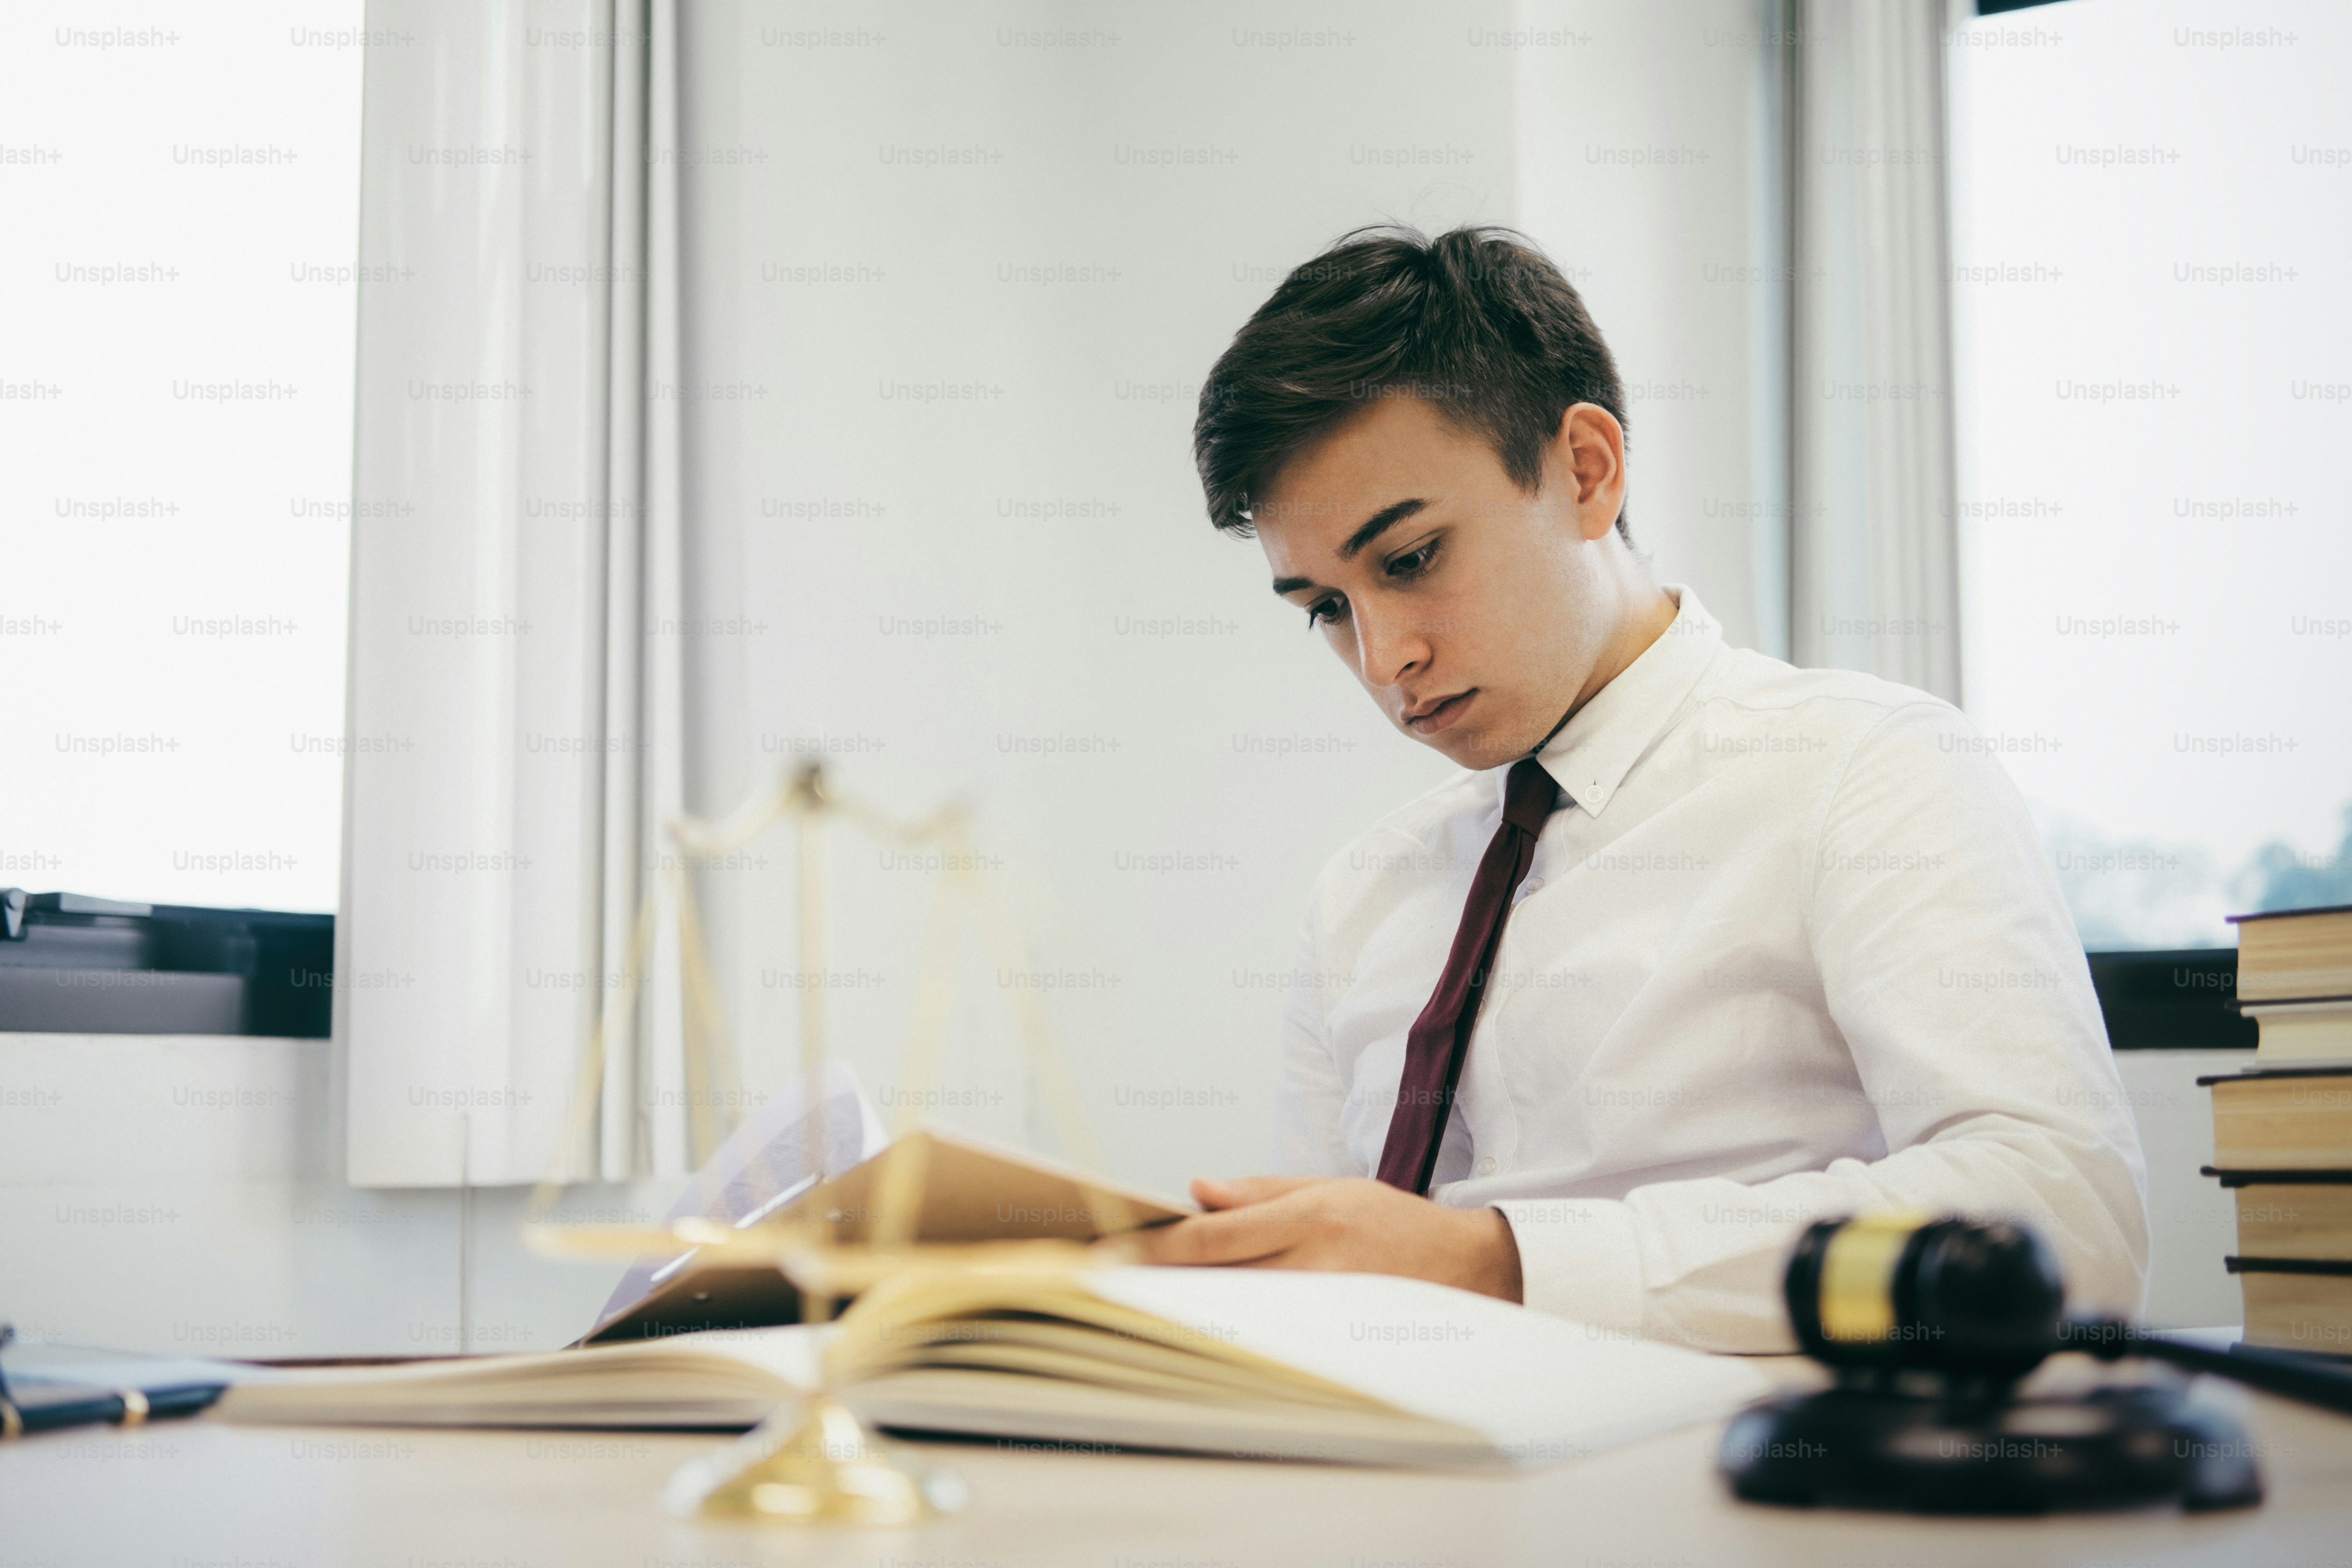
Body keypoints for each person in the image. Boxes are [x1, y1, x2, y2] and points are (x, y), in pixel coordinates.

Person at [1126, 225, 2147, 1350]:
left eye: (1411, 560)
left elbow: (2066, 1219)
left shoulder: (1869, 771)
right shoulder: (1363, 892)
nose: (1382, 659)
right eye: (1325, 608)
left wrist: (1499, 1265)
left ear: (1586, 471)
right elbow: (1321, 1284)